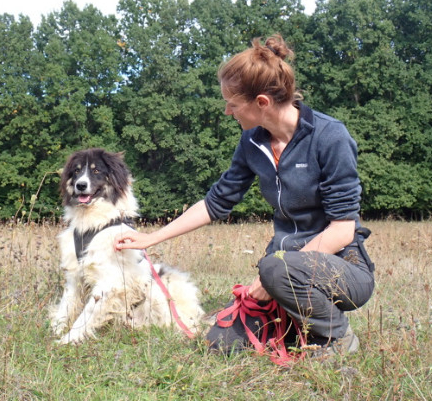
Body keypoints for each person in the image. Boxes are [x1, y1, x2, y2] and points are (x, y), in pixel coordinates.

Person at [114, 34, 375, 357]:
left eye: (233, 104)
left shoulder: (330, 136)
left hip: (342, 268)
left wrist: (279, 271)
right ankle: (294, 327)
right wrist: (151, 237)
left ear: (262, 102)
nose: (227, 111)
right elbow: (216, 203)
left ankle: (337, 337)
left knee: (275, 267)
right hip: (280, 272)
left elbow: (342, 230)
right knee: (220, 344)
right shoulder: (252, 142)